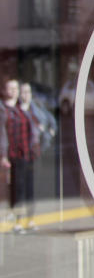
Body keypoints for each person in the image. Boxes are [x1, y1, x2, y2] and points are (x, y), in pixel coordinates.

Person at [2, 78, 38, 232]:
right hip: (14, 155)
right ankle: (17, 221)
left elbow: (37, 125)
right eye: (10, 88)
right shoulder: (4, 110)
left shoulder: (21, 109)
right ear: (4, 91)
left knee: (28, 188)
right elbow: (2, 135)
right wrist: (3, 155)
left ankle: (29, 220)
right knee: (18, 189)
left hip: (27, 154)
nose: (14, 91)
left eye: (16, 88)